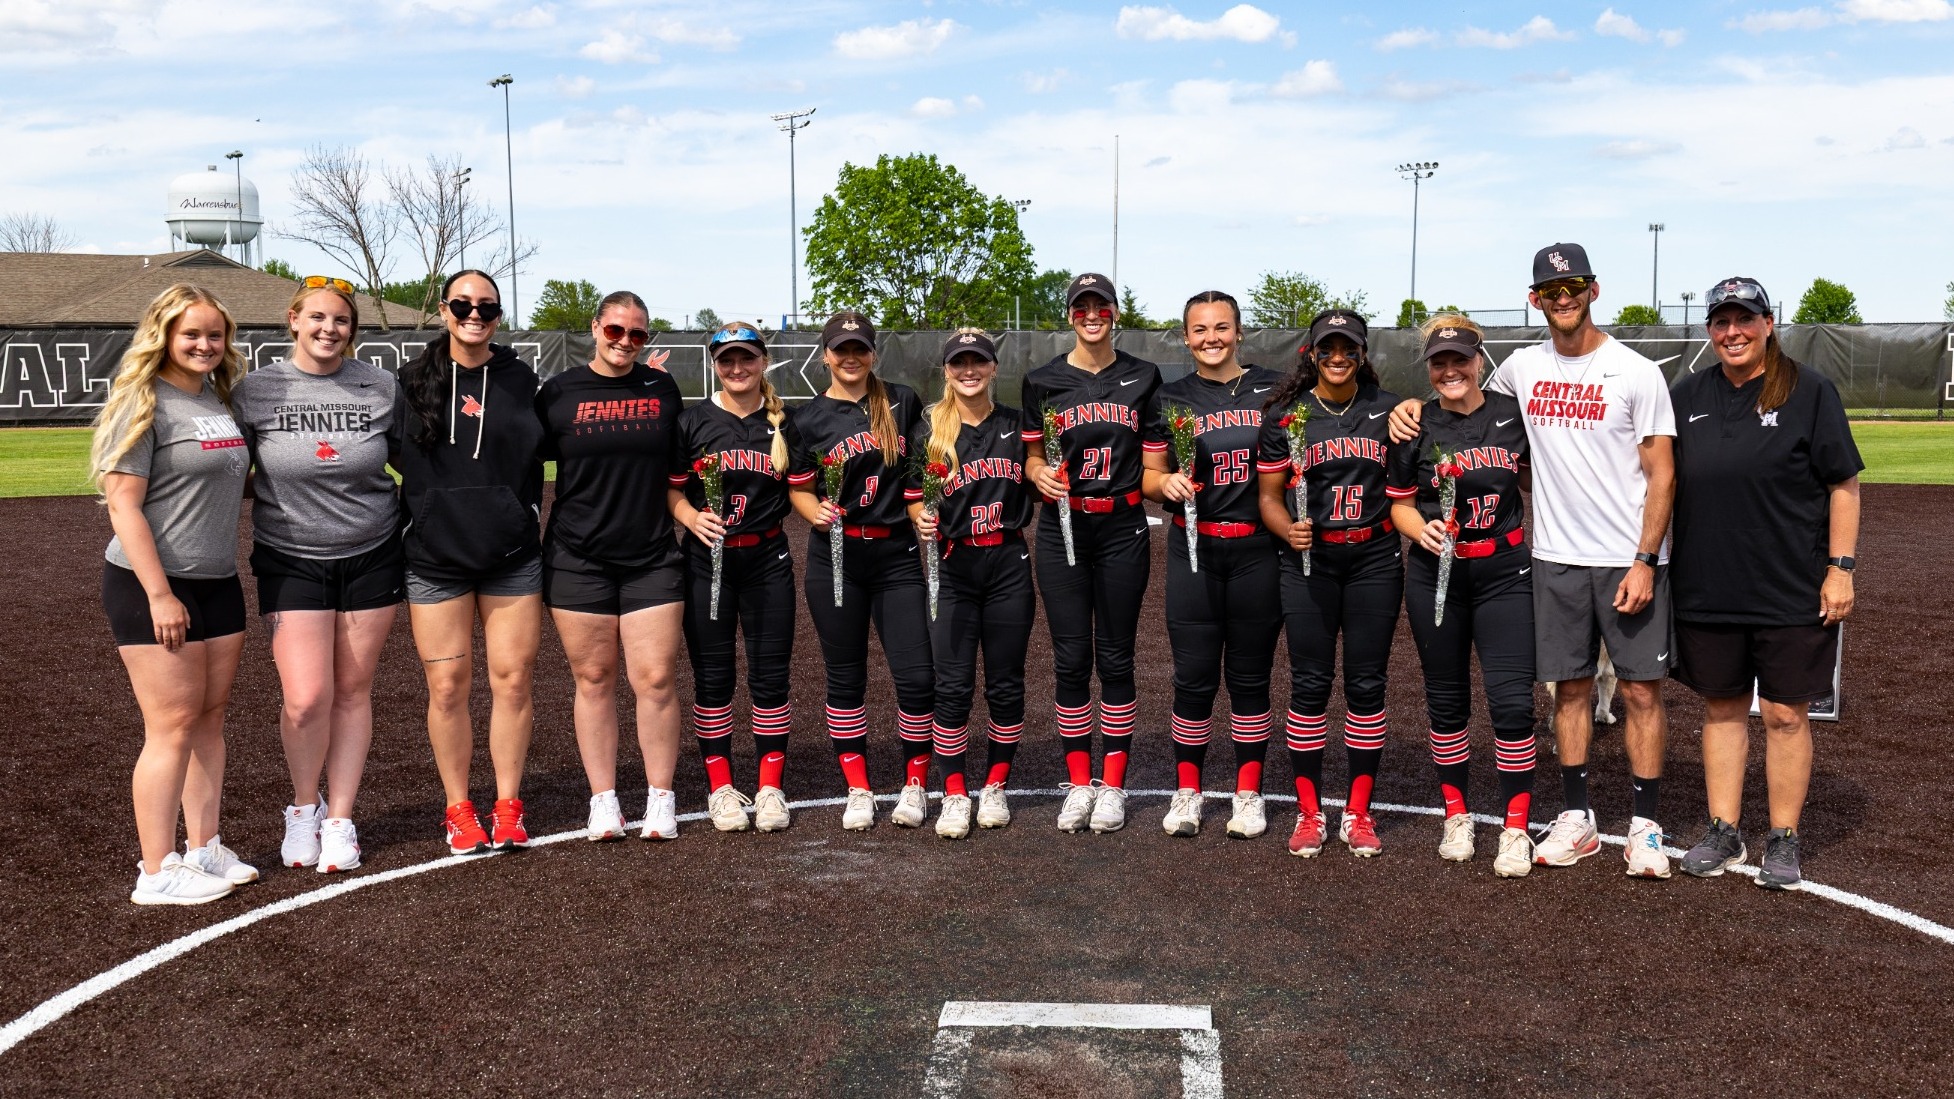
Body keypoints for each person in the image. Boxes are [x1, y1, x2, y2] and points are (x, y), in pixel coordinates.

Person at [1388, 242, 1678, 878]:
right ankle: (1576, 817)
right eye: (1550, 290)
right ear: (1535, 298)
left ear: (1592, 290)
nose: (1562, 297)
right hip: (1550, 557)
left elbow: (1662, 474)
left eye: (1572, 286)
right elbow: (1455, 404)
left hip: (1623, 556)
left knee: (1640, 692)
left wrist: (1645, 559)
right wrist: (1407, 406)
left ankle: (1646, 826)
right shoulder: (1520, 371)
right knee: (1569, 690)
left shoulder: (1635, 371)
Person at [1670, 277, 1862, 891]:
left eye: (1745, 320)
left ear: (1768, 322)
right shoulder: (1687, 393)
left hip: (1789, 587)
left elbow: (1843, 484)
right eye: (1722, 322)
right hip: (1708, 584)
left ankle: (1783, 837)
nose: (1733, 332)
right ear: (1709, 330)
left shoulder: (1809, 390)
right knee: (1722, 708)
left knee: (1784, 713)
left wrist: (1841, 569)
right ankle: (1723, 828)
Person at [232, 276, 401, 874]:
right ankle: (303, 807)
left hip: (372, 553)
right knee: (306, 699)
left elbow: (411, 459)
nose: (330, 330)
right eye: (319, 319)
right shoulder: (257, 389)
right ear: (294, 320)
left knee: (353, 692)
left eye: (342, 322)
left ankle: (340, 820)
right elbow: (229, 466)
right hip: (291, 555)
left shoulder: (379, 386)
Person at [92, 284, 254, 904]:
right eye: (191, 334)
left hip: (216, 579)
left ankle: (204, 849)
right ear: (163, 335)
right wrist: (160, 595)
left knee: (208, 720)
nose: (205, 345)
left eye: (215, 334)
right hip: (153, 582)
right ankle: (156, 871)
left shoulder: (216, 400)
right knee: (171, 725)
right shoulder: (141, 401)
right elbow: (123, 506)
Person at [394, 270, 547, 855]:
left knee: (512, 682)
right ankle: (459, 808)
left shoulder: (522, 381)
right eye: (463, 304)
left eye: (487, 306)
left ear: (500, 315)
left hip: (511, 557)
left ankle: (508, 805)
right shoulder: (411, 381)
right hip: (435, 560)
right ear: (444, 309)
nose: (474, 314)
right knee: (448, 686)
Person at [1386, 316, 1538, 878]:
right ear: (1428, 368)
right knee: (1447, 702)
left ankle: (1516, 826)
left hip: (1503, 569)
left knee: (1512, 703)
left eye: (1460, 360)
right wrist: (1414, 527)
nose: (1450, 370)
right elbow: (1399, 501)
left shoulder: (1512, 415)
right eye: (1438, 362)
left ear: (1479, 361)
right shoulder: (1412, 424)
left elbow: (1543, 476)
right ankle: (1457, 814)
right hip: (1436, 573)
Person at [537, 291, 689, 842]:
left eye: (638, 334)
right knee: (594, 678)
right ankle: (603, 799)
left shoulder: (661, 388)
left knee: (654, 678)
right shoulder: (558, 393)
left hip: (651, 555)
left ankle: (660, 797)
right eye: (616, 330)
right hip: (577, 557)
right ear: (595, 328)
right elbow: (522, 463)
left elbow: (679, 472)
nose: (625, 341)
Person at [1256, 309, 1404, 858]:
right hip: (1309, 564)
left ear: (1363, 353)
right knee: (1310, 687)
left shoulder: (1388, 411)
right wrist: (1285, 530)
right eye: (1327, 348)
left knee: (1367, 686)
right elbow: (1269, 497)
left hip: (1373, 560)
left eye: (1348, 348)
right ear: (1311, 353)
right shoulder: (1288, 417)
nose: (1337, 357)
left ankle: (1359, 813)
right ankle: (1311, 811)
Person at [1021, 273, 1163, 834]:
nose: (1091, 315)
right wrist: (1038, 474)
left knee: (1118, 655)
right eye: (1081, 307)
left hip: (1123, 526)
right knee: (1071, 656)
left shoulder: (1144, 376)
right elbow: (1032, 460)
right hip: (1063, 528)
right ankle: (1079, 782)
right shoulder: (1042, 380)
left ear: (1114, 311)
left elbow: (1153, 461)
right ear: (1071, 315)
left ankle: (1113, 784)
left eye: (1099, 305)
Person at [787, 312, 935, 831]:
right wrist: (813, 513)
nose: (850, 358)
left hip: (895, 554)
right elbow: (800, 489)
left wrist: (924, 511)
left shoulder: (901, 400)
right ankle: (858, 788)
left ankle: (915, 782)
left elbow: (921, 470)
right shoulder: (805, 418)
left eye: (860, 348)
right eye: (840, 349)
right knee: (845, 677)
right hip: (836, 559)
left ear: (873, 353)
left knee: (917, 676)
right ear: (825, 354)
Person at [1145, 292, 1284, 839]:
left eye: (1221, 327)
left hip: (1257, 550)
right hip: (1194, 549)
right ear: (1185, 337)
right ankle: (1188, 791)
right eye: (1199, 330)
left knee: (1250, 678)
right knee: (1194, 677)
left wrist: (1406, 406)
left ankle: (1248, 794)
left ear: (1240, 332)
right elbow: (1148, 475)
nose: (1211, 338)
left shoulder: (1276, 388)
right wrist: (1165, 484)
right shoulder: (1172, 397)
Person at [670, 323, 802, 834]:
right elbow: (672, 491)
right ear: (715, 365)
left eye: (746, 358)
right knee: (713, 678)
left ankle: (770, 787)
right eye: (726, 360)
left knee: (770, 676)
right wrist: (688, 516)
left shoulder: (787, 422)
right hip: (708, 561)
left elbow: (806, 486)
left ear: (763, 361)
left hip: (767, 560)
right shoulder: (694, 421)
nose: (737, 368)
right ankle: (721, 788)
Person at [908, 329, 1036, 839]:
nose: (969, 371)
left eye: (978, 362)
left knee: (1006, 682)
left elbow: (1039, 470)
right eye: (959, 363)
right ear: (946, 371)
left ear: (993, 367)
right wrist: (920, 516)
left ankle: (996, 785)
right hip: (953, 567)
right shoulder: (928, 431)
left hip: (1008, 561)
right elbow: (915, 496)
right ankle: (956, 791)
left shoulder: (1017, 424)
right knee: (953, 684)